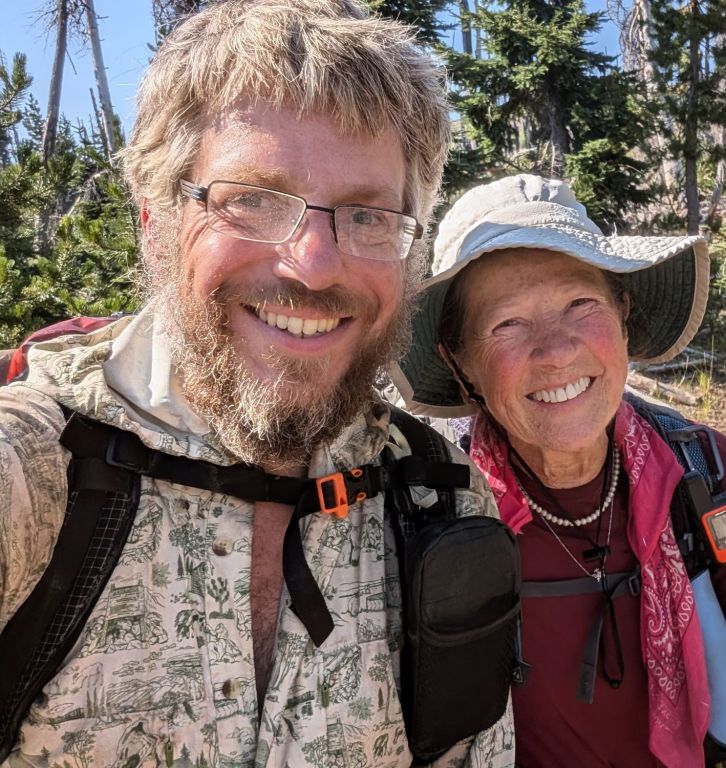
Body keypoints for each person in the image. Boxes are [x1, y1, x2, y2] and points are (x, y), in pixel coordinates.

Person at [0, 1, 515, 765]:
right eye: (253, 200)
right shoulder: (40, 472)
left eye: (368, 215)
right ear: (155, 222)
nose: (314, 265)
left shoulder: (442, 499)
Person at [391, 174, 726, 767]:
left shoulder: (701, 477)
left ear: (623, 313)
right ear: (459, 364)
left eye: (580, 305)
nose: (557, 350)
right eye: (507, 324)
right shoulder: (430, 515)